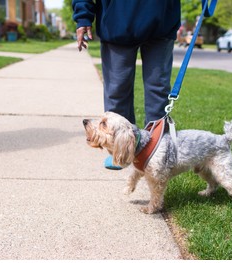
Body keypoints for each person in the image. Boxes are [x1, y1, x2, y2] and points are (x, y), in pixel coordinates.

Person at [72, 0, 181, 169]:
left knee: (158, 90)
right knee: (117, 90)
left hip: (162, 19)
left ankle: (157, 150)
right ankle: (119, 150)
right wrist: (83, 16)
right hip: (117, 20)